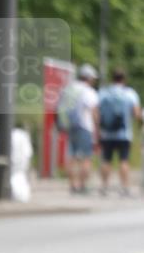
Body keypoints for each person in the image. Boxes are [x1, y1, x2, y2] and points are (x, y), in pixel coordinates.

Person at [97, 69, 141, 196]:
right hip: (124, 133)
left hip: (106, 133)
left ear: (113, 78)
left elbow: (96, 110)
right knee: (124, 160)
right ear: (124, 79)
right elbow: (137, 113)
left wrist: (99, 126)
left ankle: (104, 187)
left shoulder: (104, 93)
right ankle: (124, 187)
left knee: (106, 160)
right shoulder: (130, 93)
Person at [57, 63, 99, 194]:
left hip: (70, 126)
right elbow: (93, 111)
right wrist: (97, 129)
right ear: (89, 77)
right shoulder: (88, 91)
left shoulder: (69, 89)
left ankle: (72, 186)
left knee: (72, 157)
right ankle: (82, 186)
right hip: (85, 127)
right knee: (85, 158)